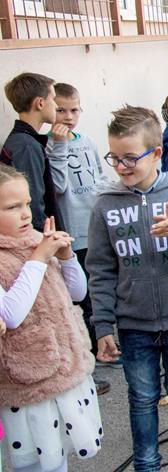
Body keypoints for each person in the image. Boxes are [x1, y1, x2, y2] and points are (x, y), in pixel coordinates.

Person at [87, 106, 168, 472]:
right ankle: (146, 463)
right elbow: (100, 269)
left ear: (156, 153)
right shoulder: (105, 206)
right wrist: (103, 326)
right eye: (114, 157)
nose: (121, 166)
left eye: (130, 157)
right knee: (142, 398)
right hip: (134, 323)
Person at [0, 164, 102, 472]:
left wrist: (67, 258)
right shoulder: (27, 253)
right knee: (34, 460)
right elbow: (11, 314)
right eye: (12, 207)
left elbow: (77, 292)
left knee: (57, 456)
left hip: (64, 370)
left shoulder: (36, 240)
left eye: (27, 203)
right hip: (27, 380)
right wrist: (39, 258)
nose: (25, 214)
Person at [46, 83, 115, 389]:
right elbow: (59, 187)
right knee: (82, 295)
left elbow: (98, 178)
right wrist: (59, 147)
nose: (68, 116)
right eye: (61, 110)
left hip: (95, 226)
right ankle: (91, 352)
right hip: (74, 231)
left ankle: (105, 341)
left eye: (74, 110)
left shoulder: (86, 141)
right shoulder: (49, 145)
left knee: (101, 287)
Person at [1, 73, 62, 231]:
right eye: (53, 99)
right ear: (40, 103)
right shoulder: (26, 146)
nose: (56, 106)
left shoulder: (25, 142)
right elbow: (33, 203)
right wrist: (43, 239)